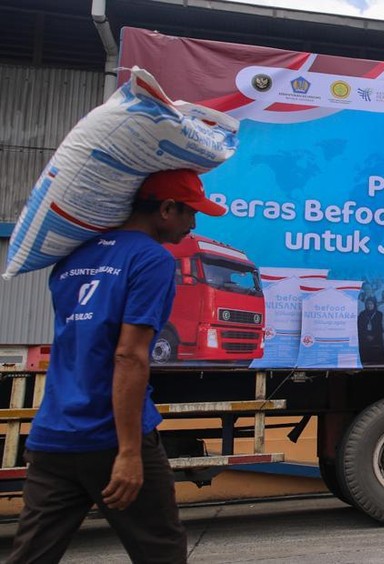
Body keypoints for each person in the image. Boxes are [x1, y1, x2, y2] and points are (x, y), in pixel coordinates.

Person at [7, 169, 226, 563]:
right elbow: (128, 355)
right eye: (191, 213)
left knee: (32, 555)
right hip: (112, 436)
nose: (193, 224)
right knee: (161, 551)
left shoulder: (73, 257)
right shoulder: (152, 259)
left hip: (53, 436)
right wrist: (128, 453)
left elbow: (79, 343)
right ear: (166, 208)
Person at [358, 297, 384, 364]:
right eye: (367, 304)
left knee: (377, 358)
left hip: (377, 339)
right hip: (364, 339)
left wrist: (373, 336)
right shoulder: (362, 314)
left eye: (371, 304)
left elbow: (381, 327)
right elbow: (359, 327)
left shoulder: (379, 314)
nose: (369, 305)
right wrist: (366, 335)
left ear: (374, 304)